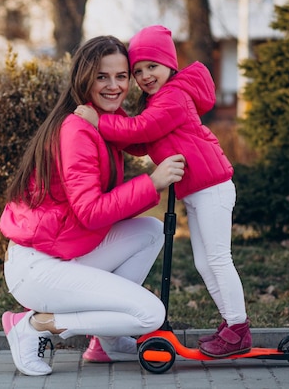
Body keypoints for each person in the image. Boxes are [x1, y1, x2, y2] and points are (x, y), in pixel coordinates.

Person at [0, 35, 186, 376]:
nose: (114, 86)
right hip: (37, 268)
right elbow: (91, 212)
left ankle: (107, 343)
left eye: (121, 76)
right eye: (102, 77)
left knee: (149, 231)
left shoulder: (102, 122)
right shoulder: (78, 129)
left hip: (65, 251)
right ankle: (36, 325)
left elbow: (105, 207)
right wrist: (153, 182)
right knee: (149, 314)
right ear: (84, 78)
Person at [75, 25, 251, 359]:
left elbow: (142, 128)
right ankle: (231, 325)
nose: (145, 76)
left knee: (216, 259)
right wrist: (113, 132)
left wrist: (99, 122)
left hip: (211, 188)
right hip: (199, 191)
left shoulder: (172, 97)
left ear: (170, 64)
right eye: (138, 71)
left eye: (152, 67)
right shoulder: (160, 100)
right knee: (204, 262)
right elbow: (143, 141)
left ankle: (238, 327)